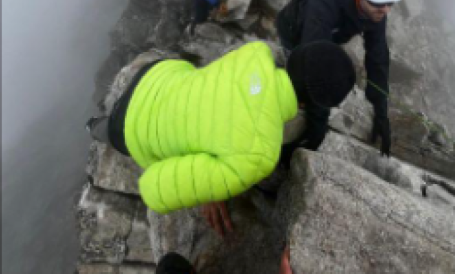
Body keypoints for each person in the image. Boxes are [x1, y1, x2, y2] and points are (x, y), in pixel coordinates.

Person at [85, 41, 356, 220]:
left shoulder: (257, 51)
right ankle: (94, 127)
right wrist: (208, 190)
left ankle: (98, 123)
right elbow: (154, 188)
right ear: (311, 104)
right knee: (111, 132)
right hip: (131, 127)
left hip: (156, 74)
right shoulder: (259, 155)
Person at [276, 0, 404, 159]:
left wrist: (381, 111)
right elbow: (313, 65)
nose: (385, 10)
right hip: (295, 32)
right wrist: (318, 122)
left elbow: (377, 57)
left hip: (327, 35)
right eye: (379, 3)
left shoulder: (376, 10)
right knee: (297, 89)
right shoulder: (323, 7)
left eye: (391, 3)